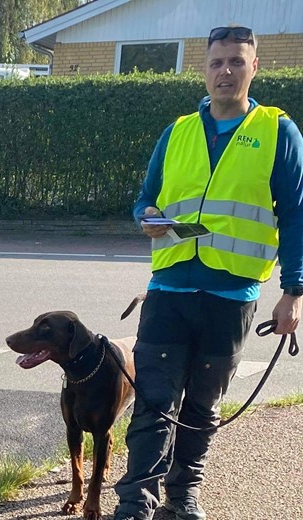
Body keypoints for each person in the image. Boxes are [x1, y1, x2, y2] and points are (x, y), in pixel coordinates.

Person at [114, 25, 303, 520]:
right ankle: (136, 503)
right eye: (217, 62)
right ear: (204, 69)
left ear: (254, 67)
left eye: (237, 61)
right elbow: (146, 199)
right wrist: (146, 217)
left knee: (202, 407)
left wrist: (294, 291)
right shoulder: (176, 132)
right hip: (169, 290)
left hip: (231, 296)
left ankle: (183, 495)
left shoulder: (278, 132)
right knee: (153, 403)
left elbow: (296, 215)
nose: (226, 71)